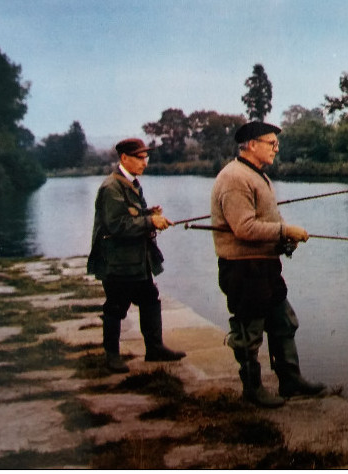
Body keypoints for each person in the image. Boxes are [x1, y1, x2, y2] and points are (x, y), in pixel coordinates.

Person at [210, 121, 326, 408]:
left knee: (284, 322)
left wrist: (285, 237)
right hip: (244, 270)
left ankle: (290, 381)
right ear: (251, 144)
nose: (277, 148)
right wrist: (285, 232)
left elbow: (269, 219)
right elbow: (244, 228)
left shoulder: (257, 175)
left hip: (265, 267)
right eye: (271, 143)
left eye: (276, 143)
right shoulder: (235, 178)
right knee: (249, 333)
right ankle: (252, 389)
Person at [88, 138, 187, 373]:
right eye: (140, 158)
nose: (145, 162)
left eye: (146, 157)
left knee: (150, 297)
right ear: (124, 159)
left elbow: (131, 215)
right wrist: (150, 221)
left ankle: (154, 349)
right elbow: (117, 225)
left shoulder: (131, 183)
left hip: (136, 261)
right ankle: (112, 356)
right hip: (118, 264)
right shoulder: (111, 187)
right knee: (116, 306)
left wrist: (148, 213)